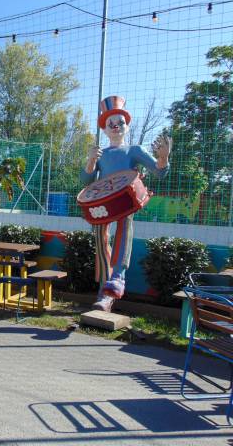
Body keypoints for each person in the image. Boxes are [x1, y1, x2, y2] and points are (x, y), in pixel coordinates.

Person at [81, 96, 172, 312]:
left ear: (127, 126)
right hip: (103, 203)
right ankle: (105, 289)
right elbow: (86, 181)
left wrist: (164, 158)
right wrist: (91, 160)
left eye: (120, 122)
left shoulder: (135, 150)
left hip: (125, 201)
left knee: (124, 228)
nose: (116, 126)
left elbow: (159, 172)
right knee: (101, 238)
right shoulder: (101, 154)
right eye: (110, 123)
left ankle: (117, 278)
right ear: (104, 129)